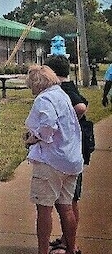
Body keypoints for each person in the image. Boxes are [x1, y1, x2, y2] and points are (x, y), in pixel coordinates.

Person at [24, 64, 83, 254]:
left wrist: (35, 138)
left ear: (36, 83)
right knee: (66, 207)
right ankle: (70, 248)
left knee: (44, 208)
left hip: (51, 160)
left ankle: (43, 251)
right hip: (71, 159)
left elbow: (48, 125)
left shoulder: (44, 99)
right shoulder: (61, 94)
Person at [46, 55, 88, 241]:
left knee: (69, 200)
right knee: (67, 200)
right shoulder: (67, 88)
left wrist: (66, 123)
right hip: (73, 149)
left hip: (70, 151)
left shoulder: (63, 89)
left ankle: (69, 241)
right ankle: (67, 239)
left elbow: (80, 107)